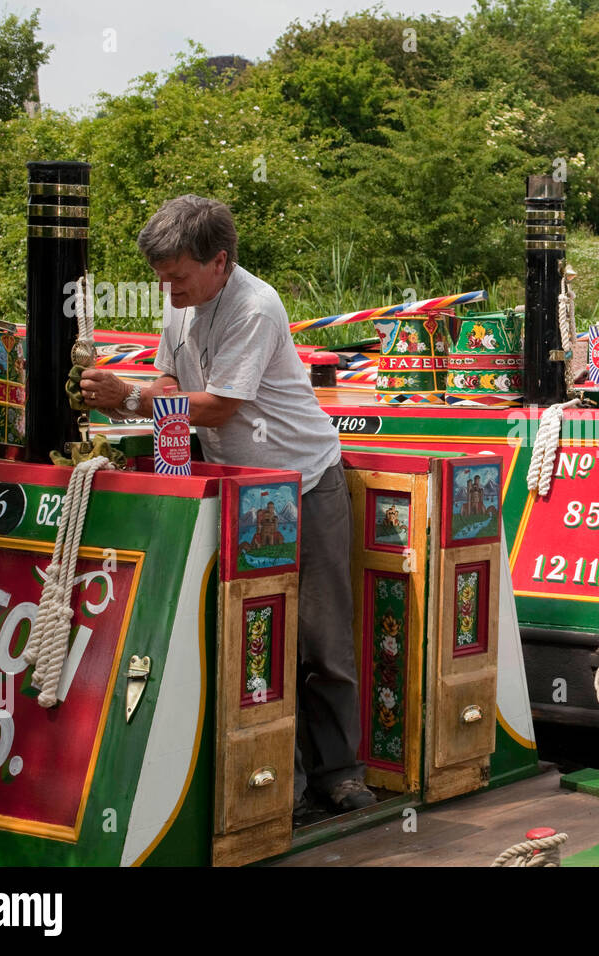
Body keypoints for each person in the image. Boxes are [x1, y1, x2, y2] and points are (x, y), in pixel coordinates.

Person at [79, 195, 374, 819]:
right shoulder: (179, 299)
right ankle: (274, 787)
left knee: (321, 641)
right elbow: (167, 381)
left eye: (179, 276)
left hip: (303, 479)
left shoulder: (256, 305)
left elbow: (216, 407)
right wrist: (139, 395)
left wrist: (128, 402)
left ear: (219, 262)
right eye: (162, 277)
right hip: (239, 483)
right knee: (254, 636)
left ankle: (340, 775)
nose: (168, 287)